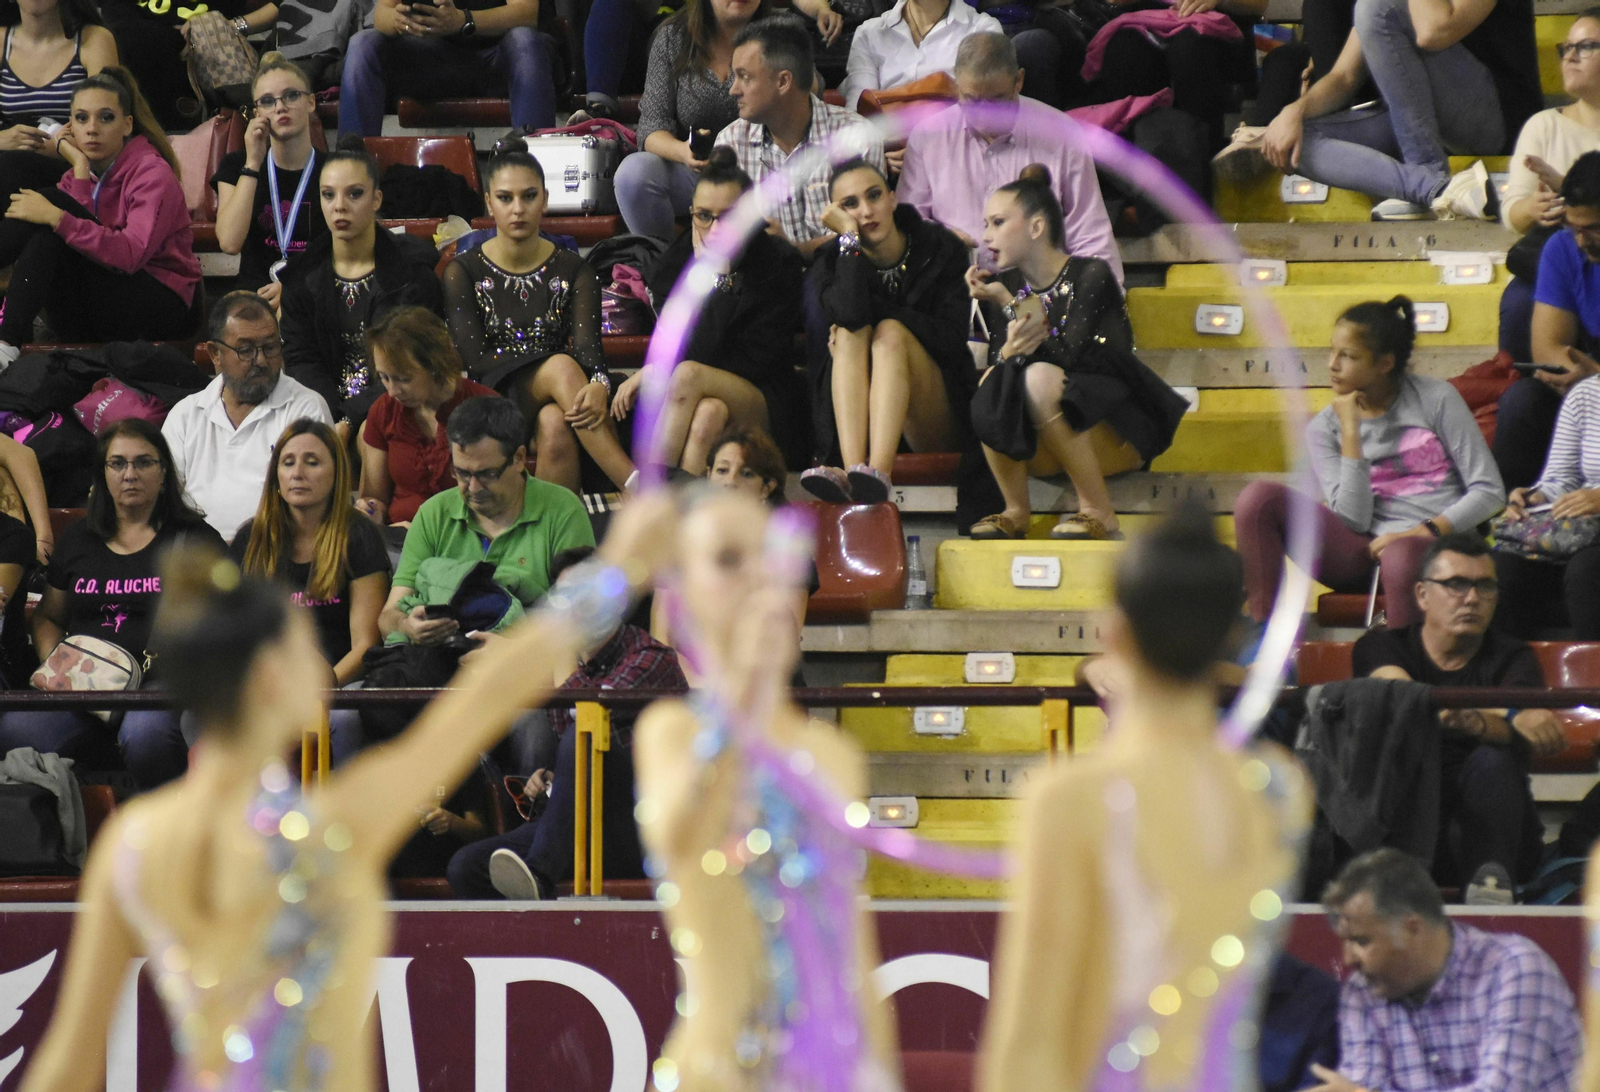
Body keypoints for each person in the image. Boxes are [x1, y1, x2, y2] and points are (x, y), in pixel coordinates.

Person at [13, 495, 675, 1092]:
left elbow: (69, 1063)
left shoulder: (139, 837)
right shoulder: (331, 825)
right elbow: (484, 703)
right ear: (276, 679)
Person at [977, 505, 1310, 1092]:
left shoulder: (1074, 797)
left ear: (1114, 632)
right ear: (1228, 638)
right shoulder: (1281, 789)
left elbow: (1030, 1033)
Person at [634, 487, 901, 1092]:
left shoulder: (833, 753)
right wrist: (744, 693)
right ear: (680, 596)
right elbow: (676, 831)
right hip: (717, 1069)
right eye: (728, 560)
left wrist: (881, 1072)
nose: (757, 577)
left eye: (767, 556)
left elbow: (852, 948)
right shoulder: (670, 733)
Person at [1235, 296, 1506, 631]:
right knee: (1258, 500)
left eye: (1348, 356)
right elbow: (1352, 518)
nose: (1332, 364)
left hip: (1436, 546)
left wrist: (1422, 531)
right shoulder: (1325, 427)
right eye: (1331, 351)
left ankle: (1403, 668)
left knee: (1400, 554)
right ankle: (1266, 645)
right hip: (1364, 551)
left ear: (1385, 363)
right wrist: (1351, 432)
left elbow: (1490, 493)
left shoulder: (1436, 399)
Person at [447, 545, 688, 898]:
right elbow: (577, 749)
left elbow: (589, 712)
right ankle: (531, 937)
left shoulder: (650, 658)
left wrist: (529, 662)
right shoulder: (571, 667)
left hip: (647, 830)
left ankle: (540, 875)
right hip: (581, 825)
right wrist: (551, 780)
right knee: (466, 867)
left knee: (585, 733)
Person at [0, 420, 225, 791]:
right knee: (15, 729)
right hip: (84, 683)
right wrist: (58, 667)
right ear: (102, 474)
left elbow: (228, 623)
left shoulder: (196, 541)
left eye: (143, 463)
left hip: (160, 686)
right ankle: (61, 838)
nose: (130, 474)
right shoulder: (78, 540)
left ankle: (161, 833)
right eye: (117, 463)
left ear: (164, 472)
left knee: (146, 734)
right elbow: (49, 617)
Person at [966, 166, 1187, 541]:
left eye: (998, 222)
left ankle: (1098, 509)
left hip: (1113, 431)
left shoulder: (1090, 275)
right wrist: (1005, 349)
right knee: (992, 379)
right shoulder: (1007, 285)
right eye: (986, 224)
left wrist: (1009, 302)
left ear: (1036, 228)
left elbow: (1065, 356)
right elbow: (1001, 371)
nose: (986, 236)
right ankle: (1016, 510)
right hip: (1047, 439)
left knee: (1038, 378)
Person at [1353, 533, 1565, 896]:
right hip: (1406, 821)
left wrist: (1481, 721)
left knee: (1493, 760)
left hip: (1493, 827)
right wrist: (1508, 714)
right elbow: (1405, 698)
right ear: (1422, 594)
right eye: (1456, 584)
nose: (1472, 598)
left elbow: (1522, 731)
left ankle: (1492, 891)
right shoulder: (1381, 646)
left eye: (1485, 586)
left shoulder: (1514, 656)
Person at [443, 148, 636, 493]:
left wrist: (599, 386)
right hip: (492, 398)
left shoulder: (575, 270)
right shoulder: (463, 271)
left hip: (559, 399)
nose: (518, 209)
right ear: (489, 203)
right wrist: (553, 371)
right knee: (561, 367)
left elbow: (593, 357)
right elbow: (477, 361)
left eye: (529, 196)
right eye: (505, 198)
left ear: (545, 199)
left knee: (555, 423)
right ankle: (635, 485)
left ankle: (553, 540)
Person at [1317, 849, 1580, 1092]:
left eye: (1361, 941)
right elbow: (1362, 1085)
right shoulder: (1362, 992)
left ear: (1412, 929)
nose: (1348, 959)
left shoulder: (1516, 969)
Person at [1252, 0, 1539, 220]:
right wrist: (1294, 112)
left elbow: (1433, 31)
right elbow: (1344, 77)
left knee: (1377, 7)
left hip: (1496, 120)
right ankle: (1433, 189)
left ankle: (1426, 169)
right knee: (1296, 138)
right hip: (1425, 119)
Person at [617, 146, 804, 474]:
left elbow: (757, 361)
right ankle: (683, 512)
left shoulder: (778, 263)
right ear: (691, 213)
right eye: (704, 216)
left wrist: (716, 279)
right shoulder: (673, 267)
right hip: (696, 399)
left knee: (689, 375)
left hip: (764, 399)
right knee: (708, 413)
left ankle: (650, 491)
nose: (716, 230)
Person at [0, 66, 199, 367]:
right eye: (82, 118)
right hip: (101, 307)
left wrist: (59, 218)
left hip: (162, 304)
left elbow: (129, 255)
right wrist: (79, 167)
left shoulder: (152, 173)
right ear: (71, 127)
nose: (92, 128)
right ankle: (7, 345)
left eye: (105, 117)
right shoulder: (76, 174)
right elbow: (78, 240)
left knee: (53, 207)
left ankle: (6, 345)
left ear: (127, 124)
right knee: (48, 222)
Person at [801, 157, 971, 503]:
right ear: (836, 215)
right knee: (850, 332)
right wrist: (849, 241)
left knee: (890, 333)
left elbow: (951, 340)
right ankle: (855, 473)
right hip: (861, 423)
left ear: (893, 199)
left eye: (874, 196)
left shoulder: (940, 248)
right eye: (850, 205)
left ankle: (878, 474)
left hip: (935, 411)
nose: (866, 211)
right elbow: (850, 313)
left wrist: (886, 316)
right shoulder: (830, 263)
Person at [897, 32, 1121, 280]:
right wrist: (940, 240)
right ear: (955, 84)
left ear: (1019, 81)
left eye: (996, 101)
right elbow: (907, 225)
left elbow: (1090, 235)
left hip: (1040, 291)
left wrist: (1106, 301)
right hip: (953, 287)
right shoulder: (928, 136)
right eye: (971, 101)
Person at [230, 420, 390, 762]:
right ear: (276, 477)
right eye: (288, 463)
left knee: (344, 719)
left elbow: (366, 644)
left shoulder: (358, 536)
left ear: (336, 474)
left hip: (341, 682)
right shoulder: (250, 540)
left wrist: (322, 686)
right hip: (269, 684)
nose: (298, 472)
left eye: (312, 462)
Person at [379, 396, 595, 647]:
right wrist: (407, 625)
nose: (473, 487)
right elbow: (387, 616)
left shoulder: (563, 511)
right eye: (461, 473)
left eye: (487, 474)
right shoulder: (433, 513)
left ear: (519, 458)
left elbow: (583, 620)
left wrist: (511, 650)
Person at [280, 137, 445, 426]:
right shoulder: (300, 278)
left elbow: (410, 365)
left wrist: (351, 420)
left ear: (376, 199)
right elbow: (302, 361)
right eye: (328, 195)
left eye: (354, 194)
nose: (339, 207)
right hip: (322, 414)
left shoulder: (412, 275)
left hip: (397, 409)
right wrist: (329, 420)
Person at [162, 292, 334, 541]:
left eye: (270, 347)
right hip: (198, 562)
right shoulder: (186, 416)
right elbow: (164, 499)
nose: (261, 360)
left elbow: (314, 508)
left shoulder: (305, 409)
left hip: (277, 557)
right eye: (246, 350)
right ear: (215, 354)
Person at [716, 14, 886, 259]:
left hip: (842, 282)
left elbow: (868, 240)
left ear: (783, 81)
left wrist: (792, 252)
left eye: (744, 76)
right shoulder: (729, 145)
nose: (733, 90)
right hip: (768, 286)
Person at [1493, 12, 1600, 364]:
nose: (1569, 57)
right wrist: (1534, 208)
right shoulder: (1544, 125)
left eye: (1585, 47)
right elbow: (1512, 211)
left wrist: (1570, 189)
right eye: (1566, 47)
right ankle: (1530, 383)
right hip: (1562, 257)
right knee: (1522, 299)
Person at [617, 0, 771, 243]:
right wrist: (685, 152)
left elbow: (807, 89)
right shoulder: (672, 38)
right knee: (635, 172)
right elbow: (651, 128)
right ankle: (662, 266)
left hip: (764, 169)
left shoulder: (780, 33)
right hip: (695, 171)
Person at [1498, 152, 1600, 491]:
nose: (1582, 241)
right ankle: (1517, 514)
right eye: (1574, 229)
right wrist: (1577, 378)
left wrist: (1595, 380)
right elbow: (1549, 346)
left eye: (1593, 229)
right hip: (1586, 389)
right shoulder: (1564, 248)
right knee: (1522, 401)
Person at [357, 305, 498, 527]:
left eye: (403, 379)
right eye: (384, 378)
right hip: (400, 537)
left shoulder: (486, 408)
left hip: (467, 538)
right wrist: (372, 511)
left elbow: (500, 501)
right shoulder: (383, 411)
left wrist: (424, 533)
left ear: (435, 365)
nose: (392, 391)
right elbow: (375, 498)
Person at [337, 0, 556, 137]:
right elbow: (381, 15)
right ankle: (351, 172)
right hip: (434, 61)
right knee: (362, 43)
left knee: (524, 40)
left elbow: (527, 13)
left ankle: (537, 171)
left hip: (499, 60)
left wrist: (463, 20)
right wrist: (398, 21)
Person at [211, 53, 326, 307]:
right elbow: (229, 242)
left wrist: (295, 290)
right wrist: (253, 163)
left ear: (311, 102)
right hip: (254, 300)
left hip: (315, 295)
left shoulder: (334, 169)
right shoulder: (236, 165)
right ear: (256, 113)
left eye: (291, 95)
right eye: (267, 101)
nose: (280, 107)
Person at [1492, 376, 1600, 638]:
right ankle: (1511, 674)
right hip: (1580, 530)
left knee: (1587, 570)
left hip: (1590, 547)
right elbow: (1562, 478)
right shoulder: (1586, 394)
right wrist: (1535, 497)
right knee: (1499, 569)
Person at [1082, 0, 1266, 151]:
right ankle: (1138, 171)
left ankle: (1203, 169)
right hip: (1141, 21)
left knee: (1192, 52)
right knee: (1124, 51)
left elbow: (1258, 4)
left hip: (1214, 26)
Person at [0, 0, 116, 216]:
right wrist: (3, 140)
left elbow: (107, 128)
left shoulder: (94, 39)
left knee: (11, 166)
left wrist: (47, 145)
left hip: (75, 171)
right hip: (8, 167)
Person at [100, 0, 277, 129]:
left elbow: (281, 4)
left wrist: (230, 26)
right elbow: (117, 25)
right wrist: (177, 39)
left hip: (217, 62)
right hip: (152, 63)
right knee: (131, 39)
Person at [838, 0, 998, 110]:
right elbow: (860, 108)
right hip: (884, 147)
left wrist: (923, 146)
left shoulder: (983, 30)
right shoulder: (869, 33)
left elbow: (982, 111)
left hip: (952, 146)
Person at [708, 424, 787, 502]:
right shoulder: (697, 509)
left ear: (766, 489)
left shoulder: (783, 514)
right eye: (722, 470)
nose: (730, 482)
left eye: (746, 474)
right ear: (708, 476)